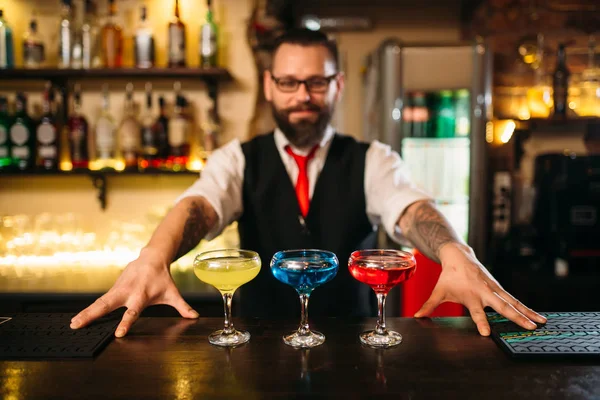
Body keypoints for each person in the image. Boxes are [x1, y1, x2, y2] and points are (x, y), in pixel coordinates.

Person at [70, 28, 546, 338]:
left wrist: (454, 251)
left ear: (337, 86)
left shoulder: (372, 159)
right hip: (256, 355)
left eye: (317, 83)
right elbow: (200, 205)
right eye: (289, 82)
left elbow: (411, 210)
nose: (303, 96)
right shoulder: (237, 159)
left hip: (356, 355)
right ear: (269, 84)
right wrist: (154, 256)